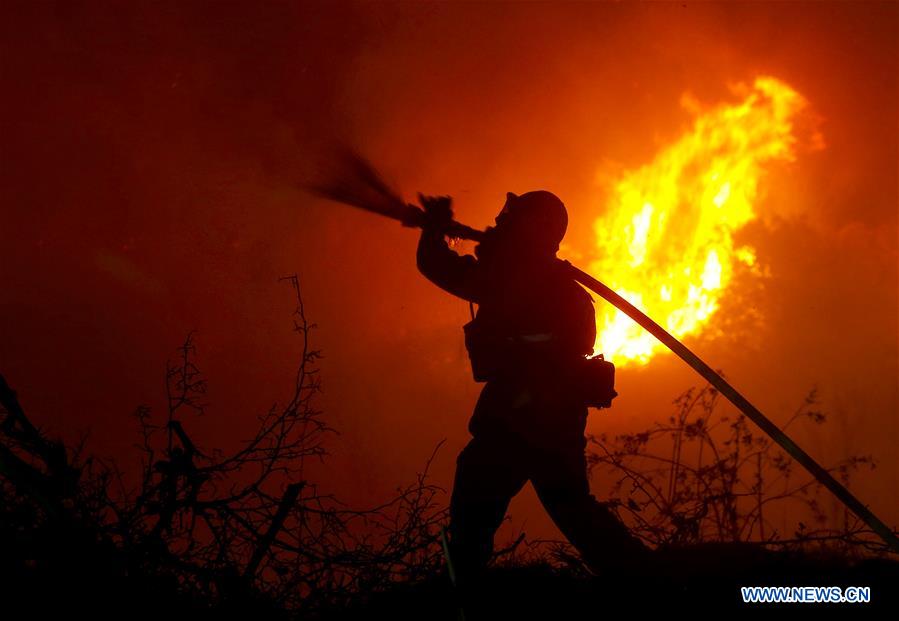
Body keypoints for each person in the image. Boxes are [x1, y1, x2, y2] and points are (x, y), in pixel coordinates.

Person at [416, 191, 650, 593]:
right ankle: (646, 578)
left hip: (520, 416)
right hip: (556, 418)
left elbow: (442, 269)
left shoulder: (519, 277)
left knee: (476, 494)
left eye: (512, 218)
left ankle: (462, 592)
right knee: (571, 506)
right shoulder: (550, 281)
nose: (500, 223)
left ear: (534, 228)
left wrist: (433, 232)